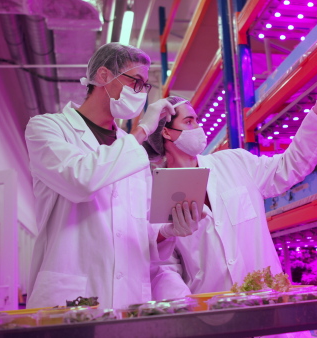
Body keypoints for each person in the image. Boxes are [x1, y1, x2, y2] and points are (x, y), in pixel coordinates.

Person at [24, 43, 200, 309]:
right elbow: (81, 181)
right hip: (70, 297)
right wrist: (142, 130)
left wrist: (167, 230)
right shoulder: (47, 128)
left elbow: (137, 230)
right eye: (136, 82)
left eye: (144, 86)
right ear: (104, 76)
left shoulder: (130, 151)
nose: (141, 93)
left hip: (129, 297)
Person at [146, 82, 317, 299]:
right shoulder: (158, 193)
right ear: (166, 131)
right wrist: (185, 305)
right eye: (189, 121)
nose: (198, 128)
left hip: (268, 298)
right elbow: (165, 265)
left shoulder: (234, 162)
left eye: (197, 120)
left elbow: (290, 166)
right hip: (213, 311)